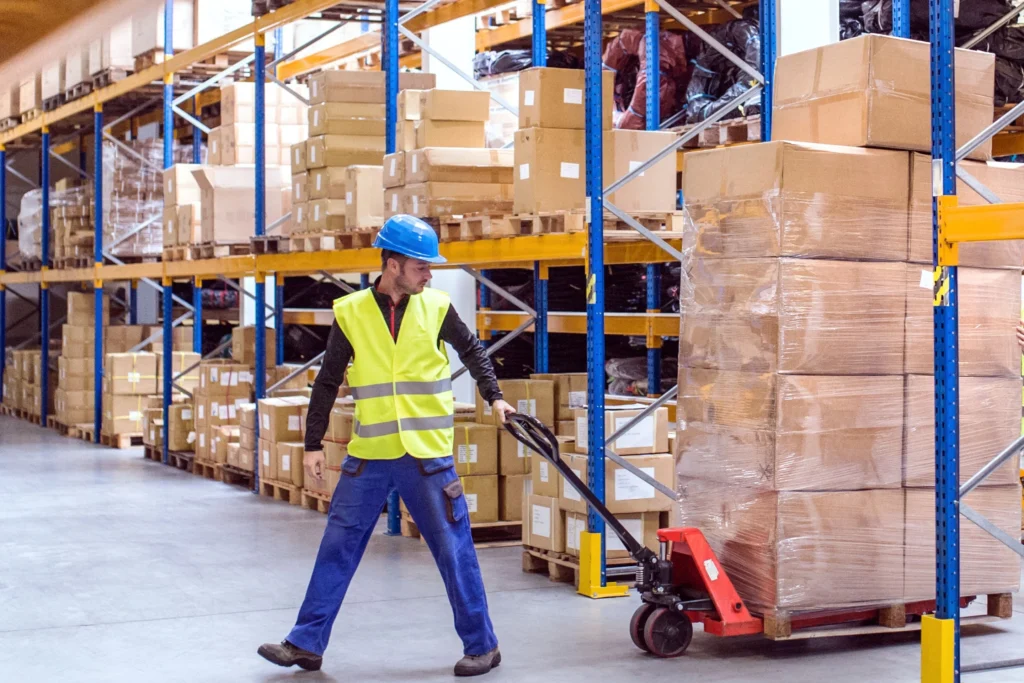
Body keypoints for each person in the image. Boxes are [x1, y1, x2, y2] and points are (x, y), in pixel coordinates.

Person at [258, 215, 515, 677]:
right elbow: (328, 380)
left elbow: (474, 352)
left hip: (426, 457)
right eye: (421, 267)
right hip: (371, 456)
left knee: (454, 550)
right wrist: (312, 443)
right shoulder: (352, 312)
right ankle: (305, 643)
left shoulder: (437, 308)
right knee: (337, 546)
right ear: (393, 265)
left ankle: (483, 645)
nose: (430, 275)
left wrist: (495, 398)